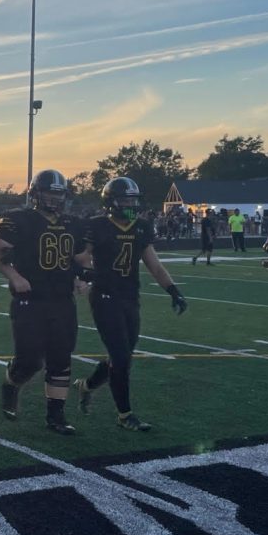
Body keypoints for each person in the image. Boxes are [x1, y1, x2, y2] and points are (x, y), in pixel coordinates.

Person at [73, 177, 187, 431]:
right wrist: (81, 272)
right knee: (120, 357)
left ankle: (87, 386)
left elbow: (154, 264)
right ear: (111, 202)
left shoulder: (142, 227)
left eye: (133, 200)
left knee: (123, 356)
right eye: (125, 200)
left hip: (129, 296)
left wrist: (173, 291)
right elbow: (82, 256)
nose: (130, 205)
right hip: (104, 296)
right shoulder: (97, 225)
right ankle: (125, 415)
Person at [0, 169, 87, 435]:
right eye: (49, 192)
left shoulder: (72, 223)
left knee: (61, 359)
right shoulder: (18, 220)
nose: (54, 198)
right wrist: (13, 276)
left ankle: (56, 416)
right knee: (29, 360)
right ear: (35, 194)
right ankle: (11, 383)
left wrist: (81, 276)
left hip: (62, 301)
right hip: (30, 301)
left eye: (59, 193)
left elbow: (77, 260)